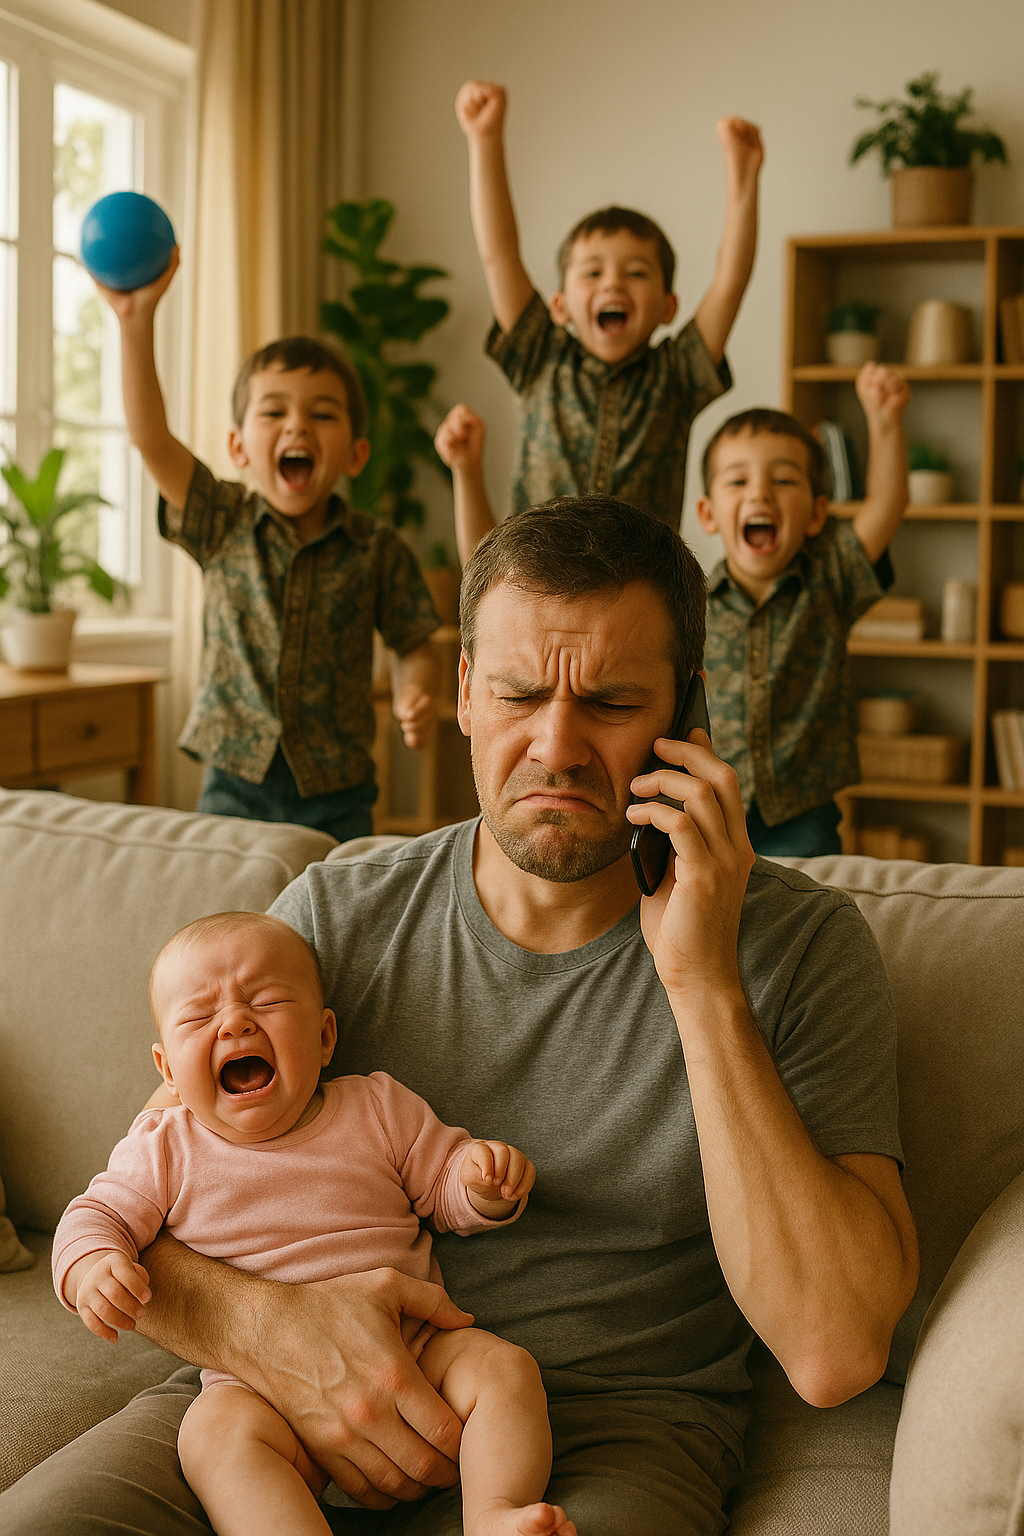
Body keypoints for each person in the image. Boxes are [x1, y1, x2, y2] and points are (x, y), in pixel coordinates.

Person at [3, 496, 918, 1536]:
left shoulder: (800, 950)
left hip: (597, 1433)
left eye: (612, 702)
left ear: (687, 714)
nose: (557, 747)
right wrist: (277, 1334)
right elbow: (148, 1202)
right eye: (520, 694)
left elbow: (835, 1350)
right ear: (467, 697)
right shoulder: (328, 926)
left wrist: (700, 982)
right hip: (263, 1409)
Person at [53, 911, 573, 1536]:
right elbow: (96, 1213)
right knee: (213, 1436)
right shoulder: (165, 1146)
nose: (236, 1022)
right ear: (167, 1070)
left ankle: (493, 1512)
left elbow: (441, 1189)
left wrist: (479, 1182)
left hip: (419, 1351)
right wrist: (92, 1266)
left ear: (325, 1037)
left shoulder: (376, 1106)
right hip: (260, 1389)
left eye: (267, 1001)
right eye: (198, 1017)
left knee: (505, 1370)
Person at [95, 251, 440, 844]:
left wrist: (415, 687)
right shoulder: (222, 519)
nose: (296, 428)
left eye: (322, 414)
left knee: (326, 928)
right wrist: (135, 322)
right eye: (274, 411)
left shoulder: (376, 547)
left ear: (355, 454)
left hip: (338, 789)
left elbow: (412, 639)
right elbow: (151, 439)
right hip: (233, 781)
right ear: (238, 447)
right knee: (227, 920)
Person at [454, 79, 763, 529]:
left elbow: (730, 281)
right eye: (592, 273)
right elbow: (498, 254)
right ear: (560, 306)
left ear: (667, 307)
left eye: (636, 273)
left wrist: (744, 177)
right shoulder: (541, 355)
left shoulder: (677, 376)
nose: (613, 284)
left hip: (639, 587)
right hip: (539, 581)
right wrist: (484, 140)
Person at [696, 361, 911, 856]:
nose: (760, 493)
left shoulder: (831, 579)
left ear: (817, 513)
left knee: (805, 922)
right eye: (737, 481)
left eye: (784, 481)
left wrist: (884, 422)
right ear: (708, 513)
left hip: (803, 816)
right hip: (710, 810)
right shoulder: (689, 604)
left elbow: (888, 504)